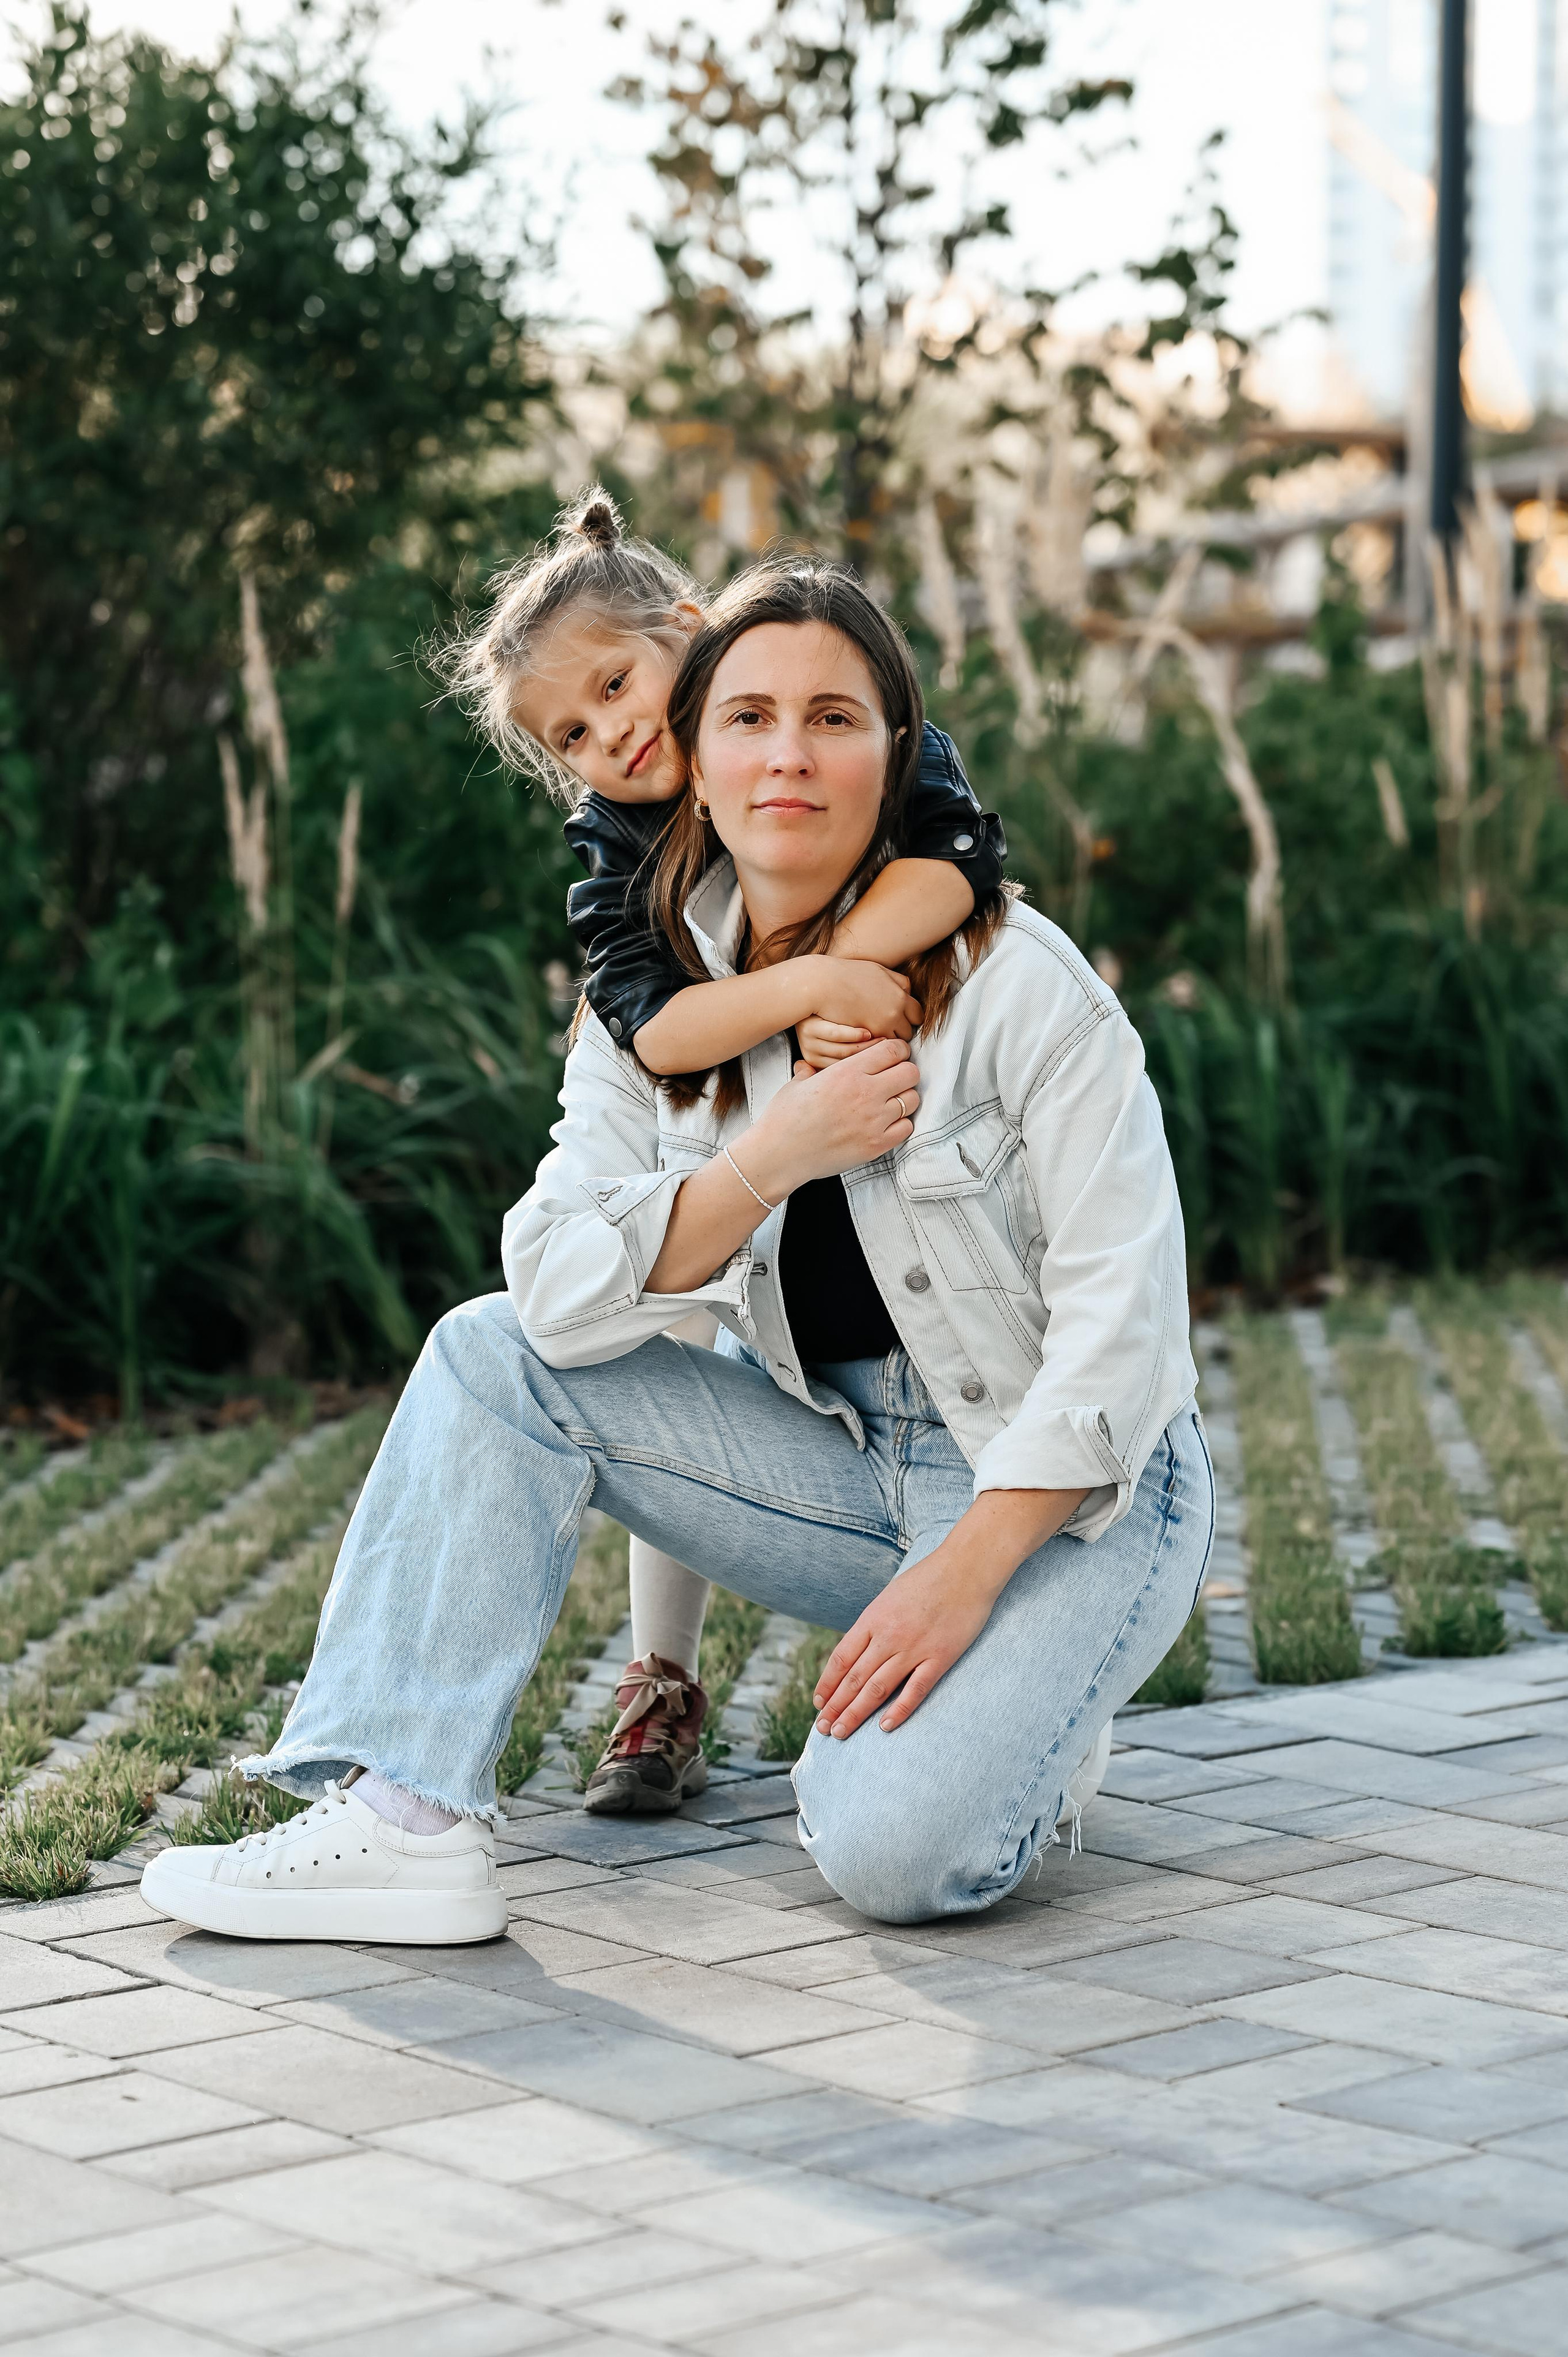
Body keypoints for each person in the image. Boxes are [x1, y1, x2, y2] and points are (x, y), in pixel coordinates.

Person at [140, 555, 1211, 1947]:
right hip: (836, 1460)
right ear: (695, 764)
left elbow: (1128, 1335)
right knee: (490, 1356)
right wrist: (772, 1153)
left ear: (895, 759)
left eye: (834, 718)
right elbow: (555, 1287)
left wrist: (966, 1581)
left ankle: (1019, 1720)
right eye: (750, 718)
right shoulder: (650, 1014)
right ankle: (402, 1818)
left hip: (1069, 1491)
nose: (787, 753)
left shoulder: (1020, 987)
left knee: (892, 1857)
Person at [433, 489, 1006, 1819]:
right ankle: (662, 1676)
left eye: (620, 684)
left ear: (687, 633)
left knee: (916, 1808)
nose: (612, 733)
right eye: (570, 733)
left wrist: (850, 961)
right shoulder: (616, 861)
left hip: (952, 1341)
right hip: (749, 1204)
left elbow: (964, 868)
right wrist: (798, 994)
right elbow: (661, 1033)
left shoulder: (823, 730)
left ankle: (992, 1690)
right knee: (658, 1294)